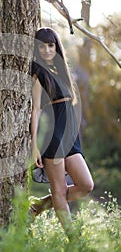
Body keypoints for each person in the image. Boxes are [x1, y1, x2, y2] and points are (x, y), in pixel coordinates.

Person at [29, 27, 94, 237]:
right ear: (36, 48)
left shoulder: (62, 70)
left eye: (51, 45)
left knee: (85, 185)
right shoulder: (38, 74)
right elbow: (36, 110)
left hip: (70, 137)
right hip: (53, 138)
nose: (47, 50)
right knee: (59, 190)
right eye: (42, 46)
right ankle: (73, 240)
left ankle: (41, 205)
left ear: (56, 46)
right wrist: (34, 145)